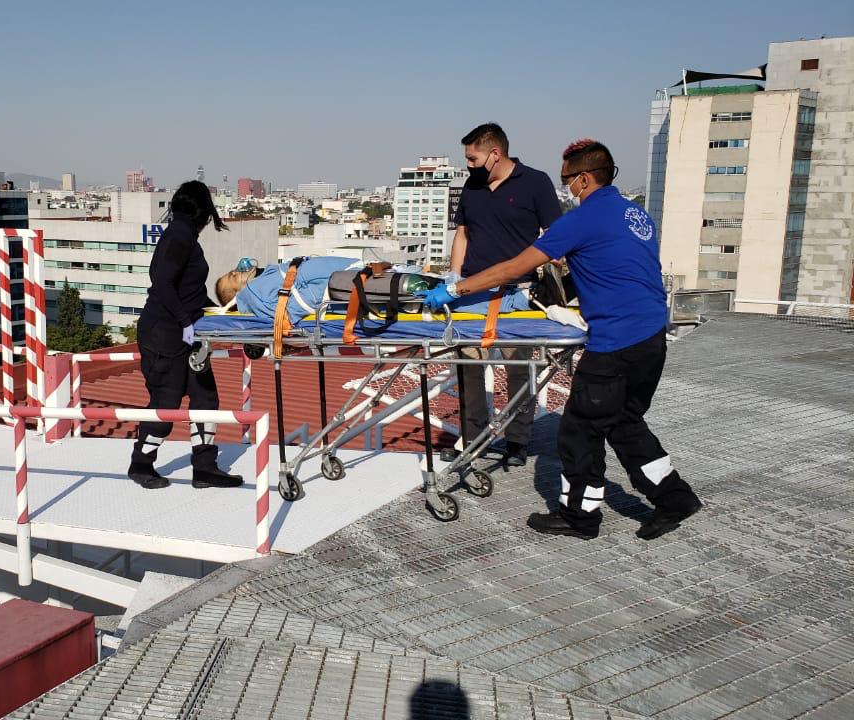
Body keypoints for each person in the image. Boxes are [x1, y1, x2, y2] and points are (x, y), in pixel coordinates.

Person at [420, 139, 702, 541]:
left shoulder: (583, 219)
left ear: (584, 179)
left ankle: (580, 518)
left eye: (567, 179)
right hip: (652, 335)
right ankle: (676, 499)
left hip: (616, 342)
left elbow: (515, 267)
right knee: (624, 422)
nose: (566, 187)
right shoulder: (636, 215)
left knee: (579, 430)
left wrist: (456, 290)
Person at [446, 123, 563, 467]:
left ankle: (517, 440)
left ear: (495, 154)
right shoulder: (472, 186)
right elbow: (463, 235)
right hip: (472, 292)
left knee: (518, 369)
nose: (467, 164)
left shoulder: (535, 183)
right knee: (468, 367)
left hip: (519, 294)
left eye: (472, 157)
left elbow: (554, 235)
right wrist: (454, 281)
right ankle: (474, 437)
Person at [129, 180, 243, 490]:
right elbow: (162, 283)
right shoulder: (179, 236)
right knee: (166, 402)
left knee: (205, 397)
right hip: (164, 334)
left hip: (187, 334)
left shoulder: (184, 236)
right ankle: (141, 463)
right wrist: (184, 322)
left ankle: (205, 467)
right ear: (203, 212)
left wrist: (229, 316)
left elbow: (192, 293)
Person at [214, 255, 362, 317]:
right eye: (231, 277)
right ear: (239, 293)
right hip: (354, 276)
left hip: (357, 273)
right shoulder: (258, 293)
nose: (235, 272)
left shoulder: (271, 277)